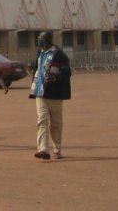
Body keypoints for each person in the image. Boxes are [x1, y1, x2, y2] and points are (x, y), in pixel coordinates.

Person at [30, 31, 72, 160]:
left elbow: (67, 72)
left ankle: (57, 147)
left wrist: (54, 78)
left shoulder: (59, 55)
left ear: (47, 40)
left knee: (55, 122)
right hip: (40, 92)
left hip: (55, 93)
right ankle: (43, 149)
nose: (38, 42)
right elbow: (37, 68)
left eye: (40, 39)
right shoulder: (40, 53)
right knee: (42, 119)